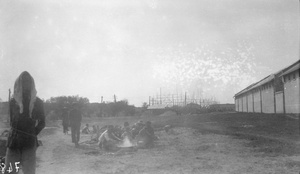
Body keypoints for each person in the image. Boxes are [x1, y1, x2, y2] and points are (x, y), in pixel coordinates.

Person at [5, 71, 45, 174]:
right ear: (19, 84)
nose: (25, 85)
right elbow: (11, 122)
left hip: (29, 143)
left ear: (31, 84)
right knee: (9, 171)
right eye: (23, 82)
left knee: (29, 171)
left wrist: (32, 133)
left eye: (28, 82)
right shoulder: (13, 101)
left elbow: (42, 122)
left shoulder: (38, 102)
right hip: (13, 143)